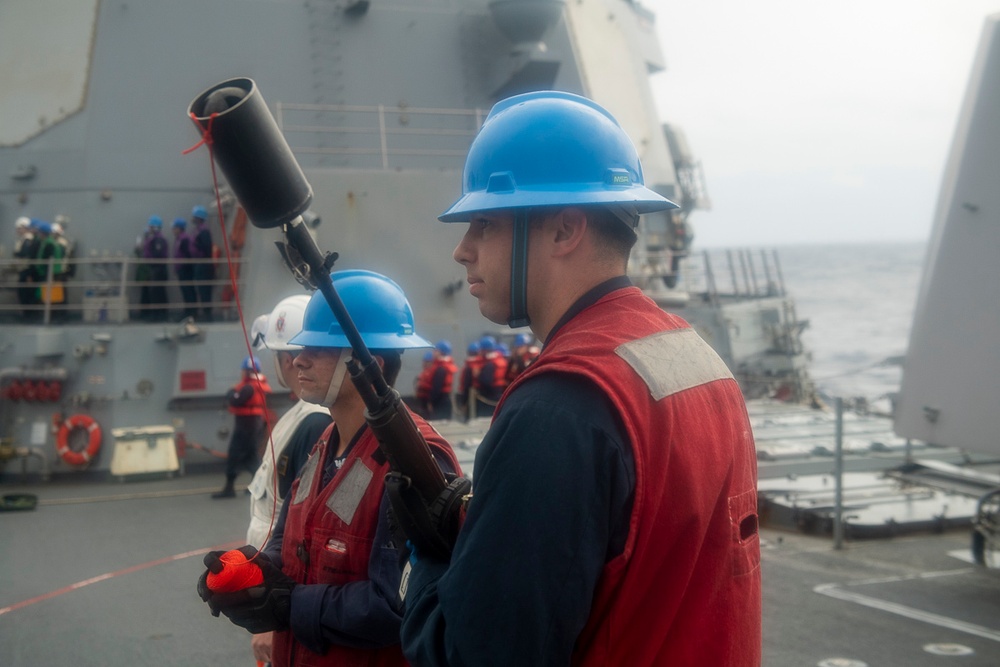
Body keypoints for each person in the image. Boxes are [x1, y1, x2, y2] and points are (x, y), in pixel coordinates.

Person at [400, 91, 761, 665]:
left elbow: (473, 656)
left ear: (566, 229)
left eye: (484, 223)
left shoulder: (558, 407)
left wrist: (425, 557)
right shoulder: (699, 361)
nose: (461, 251)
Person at [198, 269, 462, 667]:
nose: (299, 359)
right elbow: (289, 537)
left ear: (366, 362)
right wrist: (249, 576)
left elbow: (395, 605)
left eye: (319, 349)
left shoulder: (415, 461)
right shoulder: (326, 441)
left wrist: (289, 605)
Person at [245, 295, 333, 665]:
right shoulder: (298, 416)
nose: (291, 363)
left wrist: (273, 618)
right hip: (271, 580)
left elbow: (303, 529)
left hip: (282, 589)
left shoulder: (313, 421)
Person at [213, 355, 273, 499]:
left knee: (237, 455)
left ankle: (230, 488)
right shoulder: (256, 385)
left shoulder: (248, 387)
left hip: (246, 425)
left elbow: (236, 401)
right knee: (251, 455)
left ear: (246, 371)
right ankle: (258, 487)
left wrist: (231, 392)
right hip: (253, 423)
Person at [414, 340, 458, 420]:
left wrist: (431, 402)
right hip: (442, 400)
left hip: (440, 402)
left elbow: (437, 388)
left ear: (441, 352)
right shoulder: (441, 367)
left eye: (436, 351)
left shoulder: (441, 369)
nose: (434, 353)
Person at [140, 215, 170, 321]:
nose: (149, 228)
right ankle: (157, 314)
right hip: (154, 268)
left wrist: (149, 259)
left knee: (157, 292)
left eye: (151, 226)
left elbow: (158, 254)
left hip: (158, 268)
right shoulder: (155, 238)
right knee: (155, 292)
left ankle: (158, 315)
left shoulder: (159, 239)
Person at [189, 205, 215, 321]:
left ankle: (207, 315)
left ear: (198, 218)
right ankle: (205, 313)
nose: (192, 218)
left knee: (204, 290)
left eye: (194, 216)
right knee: (201, 289)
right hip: (199, 264)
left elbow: (207, 248)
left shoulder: (203, 231)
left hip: (203, 265)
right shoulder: (199, 230)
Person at [472, 335, 507, 414]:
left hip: (488, 397)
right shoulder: (498, 361)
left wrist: (477, 375)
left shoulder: (489, 365)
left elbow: (486, 382)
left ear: (485, 350)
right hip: (497, 394)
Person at [171, 217, 197, 320]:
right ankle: (188, 312)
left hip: (185, 269)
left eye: (174, 227)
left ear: (179, 228)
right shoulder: (179, 239)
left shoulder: (184, 239)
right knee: (185, 291)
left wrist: (183, 266)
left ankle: (191, 313)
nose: (173, 230)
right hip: (181, 269)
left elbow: (187, 254)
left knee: (188, 291)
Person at [13, 217, 39, 319]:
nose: (18, 231)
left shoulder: (28, 240)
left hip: (26, 271)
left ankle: (29, 315)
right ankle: (27, 314)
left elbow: (28, 256)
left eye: (19, 228)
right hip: (23, 270)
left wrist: (29, 274)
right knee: (23, 292)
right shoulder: (25, 240)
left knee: (26, 293)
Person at [455, 341, 482, 420]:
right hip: (479, 395)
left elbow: (466, 384)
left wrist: (463, 402)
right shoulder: (481, 365)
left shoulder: (468, 367)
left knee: (469, 417)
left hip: (470, 396)